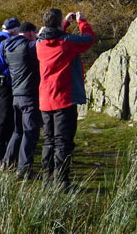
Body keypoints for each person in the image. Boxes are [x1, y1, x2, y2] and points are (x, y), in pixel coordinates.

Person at [36, 9, 95, 185]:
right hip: (63, 99)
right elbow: (88, 39)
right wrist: (81, 21)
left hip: (45, 100)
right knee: (63, 142)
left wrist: (65, 24)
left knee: (49, 141)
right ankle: (61, 182)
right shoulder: (67, 44)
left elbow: (50, 36)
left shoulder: (39, 45)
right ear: (59, 23)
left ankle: (48, 179)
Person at [1, 21, 41, 179]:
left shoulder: (8, 47)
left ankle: (7, 163)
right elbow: (43, 46)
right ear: (31, 33)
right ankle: (24, 169)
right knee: (30, 132)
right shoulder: (28, 46)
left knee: (18, 131)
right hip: (29, 96)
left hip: (16, 95)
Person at [0, 17, 19, 164]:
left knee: (5, 115)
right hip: (6, 83)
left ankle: (0, 150)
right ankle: (0, 151)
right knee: (5, 116)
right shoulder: (7, 43)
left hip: (0, 83)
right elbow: (10, 65)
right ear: (14, 30)